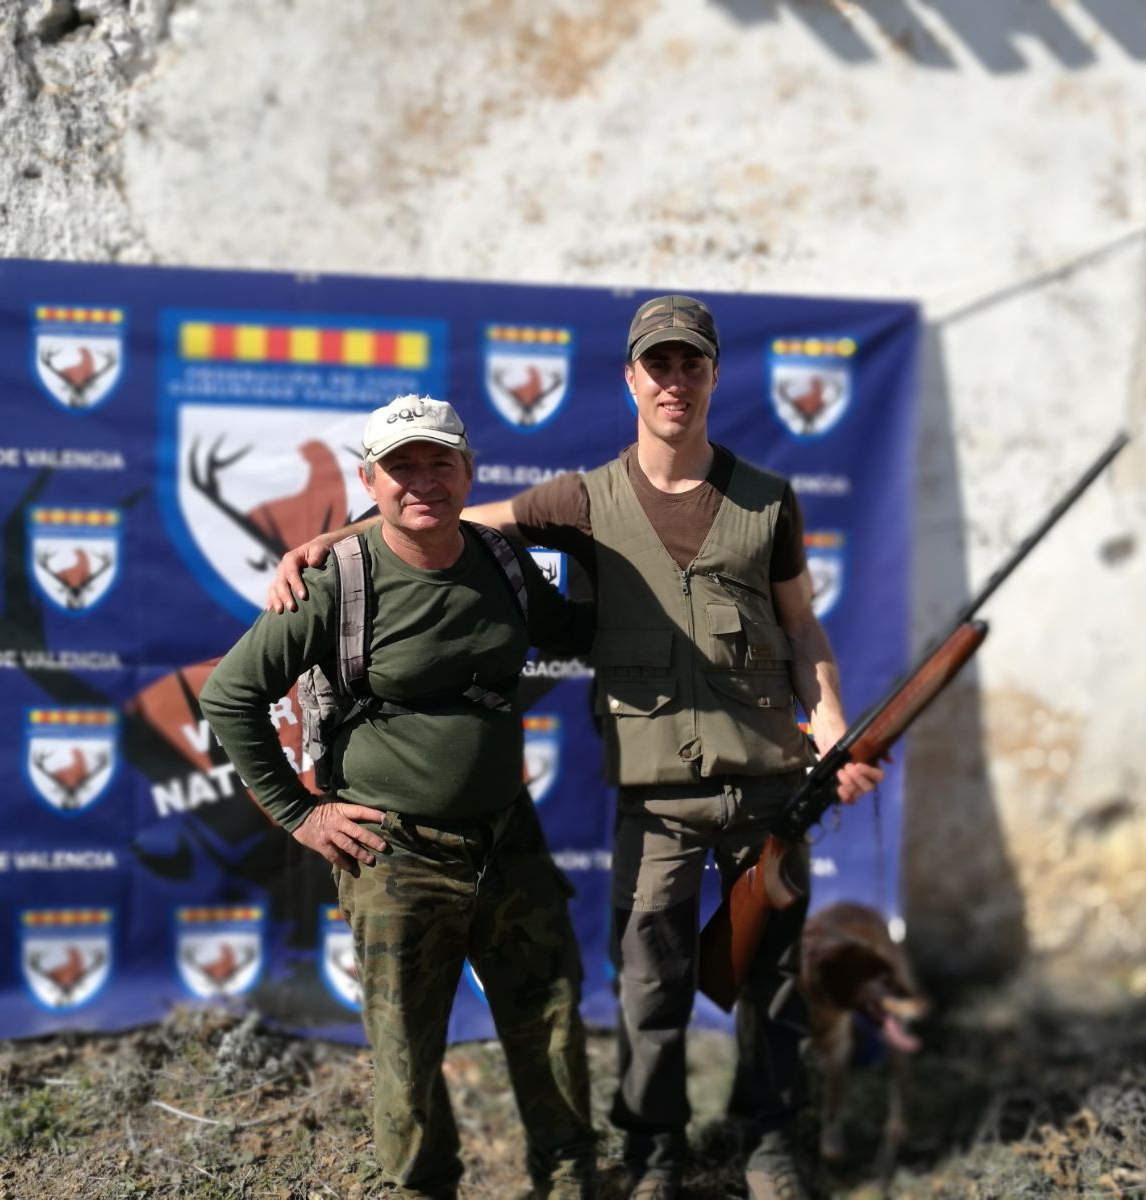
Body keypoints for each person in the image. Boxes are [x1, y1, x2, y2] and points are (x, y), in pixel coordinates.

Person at [266, 298, 885, 1200]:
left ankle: (772, 1147)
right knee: (651, 984)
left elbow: (802, 628)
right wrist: (334, 538)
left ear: (714, 375)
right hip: (656, 795)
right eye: (658, 365)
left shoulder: (768, 499)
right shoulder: (582, 499)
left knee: (774, 980)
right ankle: (652, 1155)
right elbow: (450, 515)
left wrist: (832, 730)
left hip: (768, 784)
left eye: (691, 364)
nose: (675, 382)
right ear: (631, 380)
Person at [201, 396, 598, 1200]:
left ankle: (569, 1182)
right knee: (407, 1048)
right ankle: (423, 1188)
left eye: (438, 463)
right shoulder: (335, 581)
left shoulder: (503, 562)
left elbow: (582, 630)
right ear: (368, 482)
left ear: (468, 472)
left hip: (506, 837)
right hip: (395, 854)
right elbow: (229, 695)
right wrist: (300, 813)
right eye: (400, 467)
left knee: (550, 1018)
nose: (422, 482)